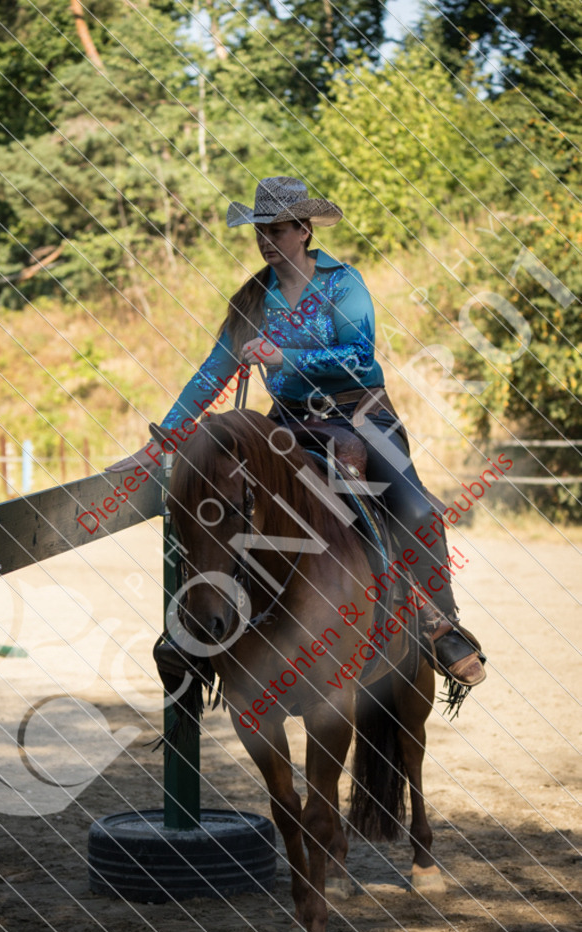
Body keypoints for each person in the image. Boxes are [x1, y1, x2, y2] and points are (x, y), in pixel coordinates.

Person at [114, 176, 485, 687]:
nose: (266, 241)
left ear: (304, 230)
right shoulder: (253, 300)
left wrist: (283, 355)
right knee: (214, 495)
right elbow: (210, 374)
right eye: (260, 232)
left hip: (359, 415)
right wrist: (163, 441)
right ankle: (200, 629)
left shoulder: (343, 282)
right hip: (288, 421)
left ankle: (439, 622)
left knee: (417, 509)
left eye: (277, 230)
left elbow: (359, 356)